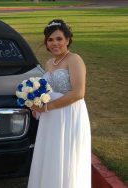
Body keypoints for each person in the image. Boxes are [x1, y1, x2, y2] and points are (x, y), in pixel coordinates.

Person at [27, 19, 91, 188]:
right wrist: (36, 105)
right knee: (52, 155)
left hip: (69, 115)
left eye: (59, 39)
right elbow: (48, 90)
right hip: (50, 118)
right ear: (46, 43)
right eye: (50, 40)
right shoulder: (49, 63)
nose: (54, 43)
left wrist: (47, 107)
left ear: (67, 40)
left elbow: (78, 93)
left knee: (67, 156)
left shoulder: (74, 59)